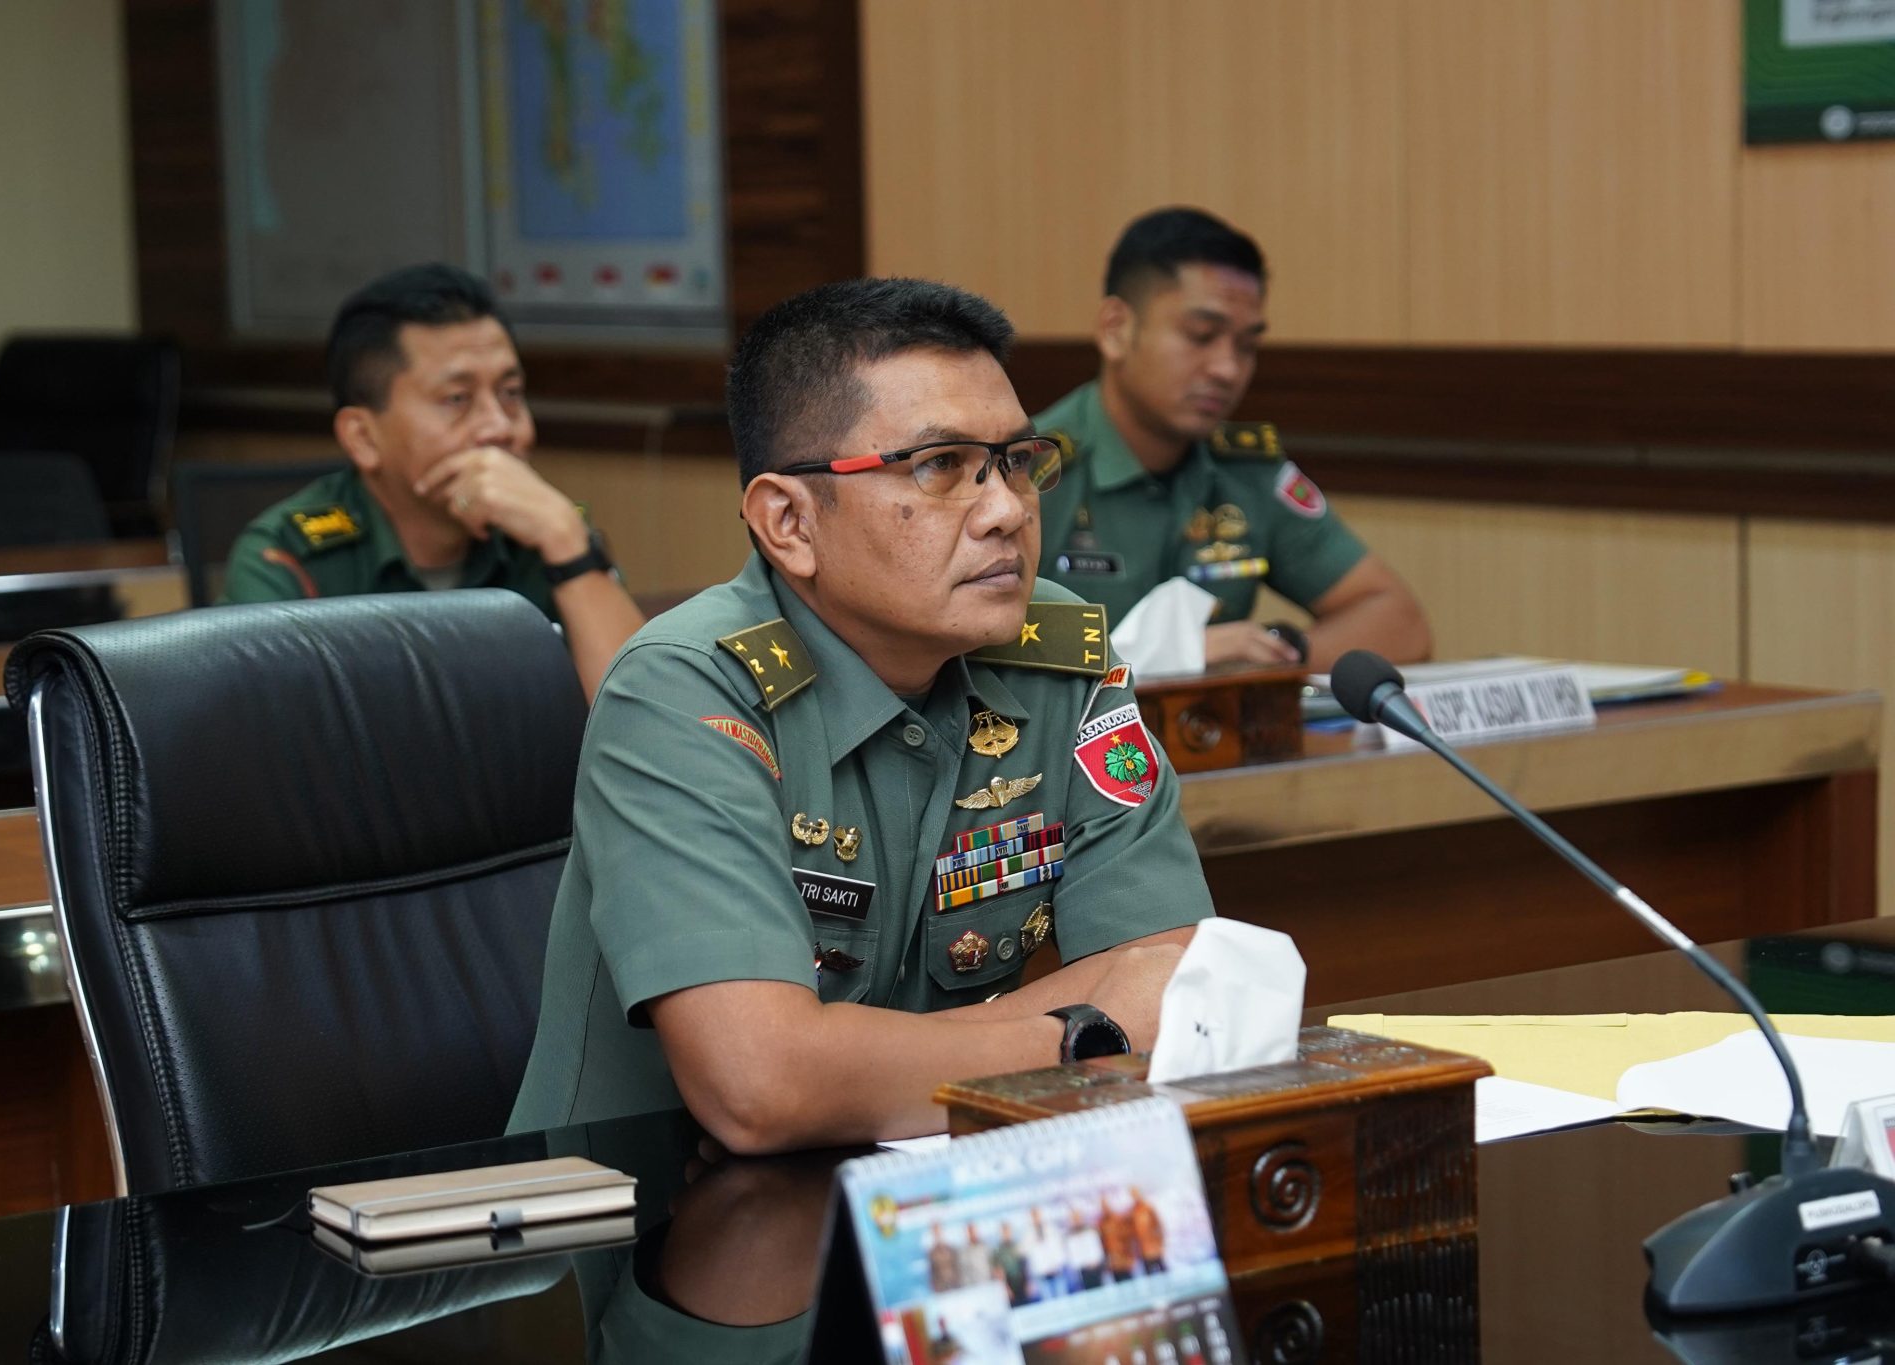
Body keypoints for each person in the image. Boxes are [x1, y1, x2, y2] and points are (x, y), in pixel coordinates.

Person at [509, 277, 1207, 1153]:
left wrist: (849, 1064)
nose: (1006, 511)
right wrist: (1079, 1036)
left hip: (931, 1193)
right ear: (789, 522)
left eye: (1016, 461)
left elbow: (1179, 981)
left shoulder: (1058, 658)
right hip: (655, 1212)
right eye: (940, 465)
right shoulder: (684, 691)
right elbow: (762, 1086)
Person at [219, 262, 644, 698]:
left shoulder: (548, 532)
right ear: (363, 438)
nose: (499, 426)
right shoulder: (288, 559)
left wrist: (568, 545)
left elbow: (641, 714)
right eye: (457, 398)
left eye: (510, 393)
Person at [1035, 208, 1430, 671]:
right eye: (1201, 335)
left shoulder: (1245, 471)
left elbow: (1402, 626)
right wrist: (1177, 656)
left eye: (1246, 345)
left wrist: (1278, 650)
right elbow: (978, 651)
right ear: (1116, 329)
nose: (1227, 369)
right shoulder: (1028, 470)